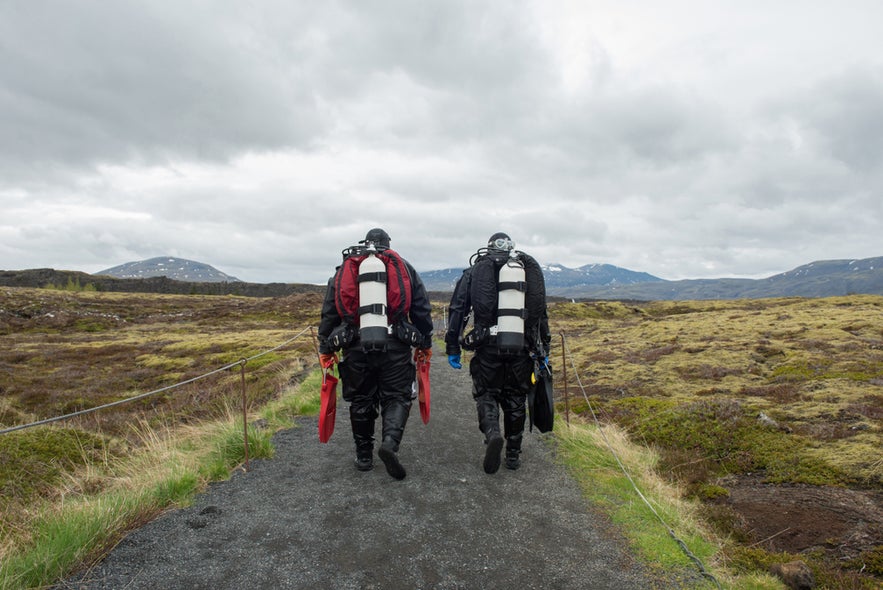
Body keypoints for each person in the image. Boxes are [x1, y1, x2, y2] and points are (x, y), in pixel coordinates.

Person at [318, 228, 433, 480]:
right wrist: (425, 342)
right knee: (397, 397)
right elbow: (421, 308)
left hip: (356, 346)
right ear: (388, 244)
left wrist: (326, 347)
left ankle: (364, 456)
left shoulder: (345, 270)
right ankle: (390, 443)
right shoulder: (404, 268)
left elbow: (330, 311)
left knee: (361, 400)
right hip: (396, 345)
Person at [445, 232, 550, 473]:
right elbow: (540, 311)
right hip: (521, 347)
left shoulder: (475, 272)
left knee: (486, 394)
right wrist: (544, 347)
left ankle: (493, 433)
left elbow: (458, 309)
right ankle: (513, 454)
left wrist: (453, 346)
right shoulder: (524, 271)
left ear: (489, 247)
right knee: (515, 399)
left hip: (487, 347)